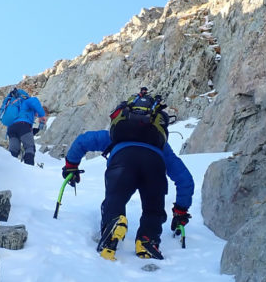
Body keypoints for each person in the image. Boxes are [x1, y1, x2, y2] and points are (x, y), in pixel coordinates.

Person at [62, 88, 194, 261]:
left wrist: (71, 165)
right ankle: (148, 239)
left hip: (122, 161)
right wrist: (181, 210)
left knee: (115, 198)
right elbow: (185, 180)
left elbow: (83, 141)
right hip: (155, 164)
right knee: (153, 207)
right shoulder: (161, 146)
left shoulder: (115, 135)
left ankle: (114, 223)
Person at [0, 87, 47, 165]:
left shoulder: (15, 106)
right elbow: (34, 101)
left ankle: (9, 167)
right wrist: (42, 115)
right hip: (23, 125)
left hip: (11, 129)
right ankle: (29, 168)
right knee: (29, 147)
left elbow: (24, 133)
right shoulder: (25, 101)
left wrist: (34, 130)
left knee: (14, 150)